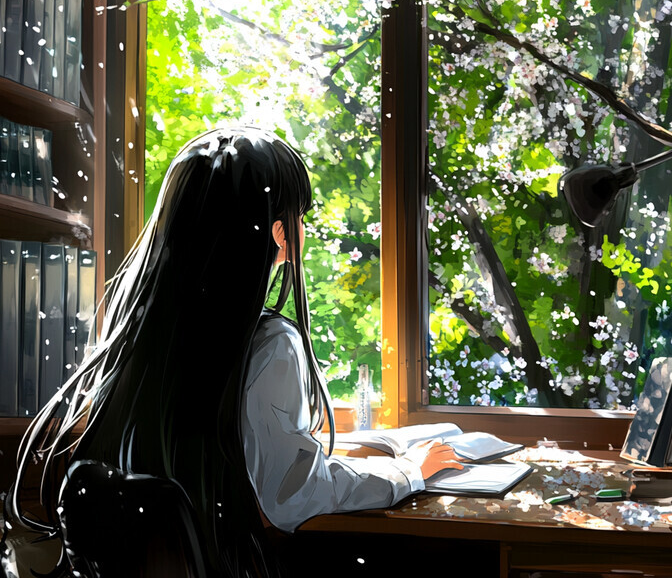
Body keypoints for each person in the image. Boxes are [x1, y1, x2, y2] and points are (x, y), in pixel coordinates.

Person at [1, 127, 462, 578]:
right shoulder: (271, 344)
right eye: (299, 217)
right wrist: (407, 472)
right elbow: (293, 495)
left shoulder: (136, 330)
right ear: (280, 234)